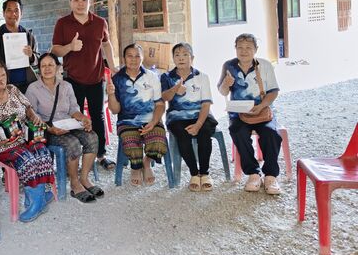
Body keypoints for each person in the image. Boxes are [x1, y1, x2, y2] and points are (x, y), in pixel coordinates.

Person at [0, 60, 56, 222]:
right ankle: (38, 200)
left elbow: (28, 107)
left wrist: (34, 116)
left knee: (42, 151)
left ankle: (38, 196)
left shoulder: (13, 90)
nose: (0, 78)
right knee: (27, 159)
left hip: (24, 138)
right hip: (2, 146)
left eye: (3, 75)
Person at [51, 0, 118, 171]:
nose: (80, 3)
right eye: (76, 0)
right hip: (72, 79)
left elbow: (106, 45)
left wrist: (112, 66)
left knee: (97, 117)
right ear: (70, 2)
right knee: (75, 118)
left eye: (84, 0)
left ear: (90, 2)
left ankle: (101, 155)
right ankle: (76, 158)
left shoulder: (100, 22)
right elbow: (55, 50)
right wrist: (70, 47)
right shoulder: (63, 23)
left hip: (96, 78)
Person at [26, 53, 103, 203]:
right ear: (39, 69)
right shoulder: (33, 89)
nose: (47, 68)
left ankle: (84, 178)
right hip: (48, 129)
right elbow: (33, 117)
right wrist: (50, 129)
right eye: (43, 66)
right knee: (72, 143)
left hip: (69, 124)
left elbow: (73, 109)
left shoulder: (66, 86)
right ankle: (75, 183)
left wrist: (83, 118)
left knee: (92, 137)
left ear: (58, 67)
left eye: (51, 65)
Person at [218, 33, 282, 195]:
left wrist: (261, 106)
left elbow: (273, 91)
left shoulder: (264, 65)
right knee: (237, 131)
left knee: (271, 133)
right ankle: (253, 173)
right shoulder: (229, 66)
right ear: (235, 49)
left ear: (256, 49)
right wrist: (226, 84)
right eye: (240, 47)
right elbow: (223, 92)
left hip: (262, 109)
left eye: (248, 47)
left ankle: (270, 175)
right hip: (238, 112)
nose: (244, 51)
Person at [106, 44, 167, 186]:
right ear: (124, 58)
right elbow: (115, 110)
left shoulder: (151, 76)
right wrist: (111, 94)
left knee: (159, 141)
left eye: (137, 56)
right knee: (130, 142)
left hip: (151, 119)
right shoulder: (117, 79)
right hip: (127, 122)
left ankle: (146, 162)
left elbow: (160, 104)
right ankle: (135, 168)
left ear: (142, 58)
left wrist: (154, 122)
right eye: (130, 56)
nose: (133, 59)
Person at [161, 43, 217, 192]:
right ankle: (194, 173)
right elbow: (164, 98)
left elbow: (206, 104)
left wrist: (198, 124)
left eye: (185, 55)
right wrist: (174, 89)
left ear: (192, 58)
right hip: (177, 116)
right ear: (173, 58)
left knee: (204, 132)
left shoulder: (202, 77)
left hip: (200, 114)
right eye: (177, 55)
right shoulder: (166, 77)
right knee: (182, 134)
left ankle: (205, 173)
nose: (181, 58)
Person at [0, 0, 38, 93]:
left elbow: (37, 60)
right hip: (3, 86)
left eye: (16, 10)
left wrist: (31, 56)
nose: (13, 14)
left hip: (27, 84)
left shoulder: (28, 35)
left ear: (21, 13)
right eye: (9, 10)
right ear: (3, 13)